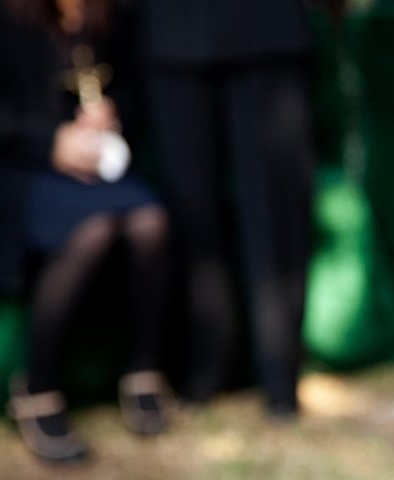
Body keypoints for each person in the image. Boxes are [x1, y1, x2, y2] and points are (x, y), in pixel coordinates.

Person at [0, 0, 173, 464]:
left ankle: (143, 371)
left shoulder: (108, 13)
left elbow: (131, 87)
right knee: (93, 229)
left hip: (89, 164)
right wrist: (50, 144)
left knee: (151, 222)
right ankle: (38, 387)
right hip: (14, 166)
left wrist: (108, 114)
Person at [140, 0, 315, 416]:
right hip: (172, 31)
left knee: (274, 211)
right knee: (191, 209)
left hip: (265, 29)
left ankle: (279, 373)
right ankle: (206, 368)